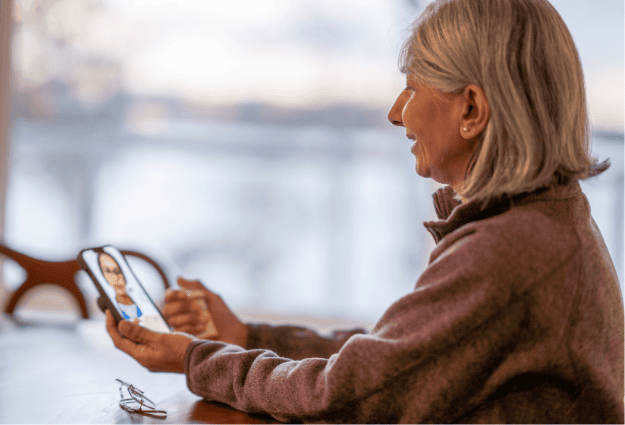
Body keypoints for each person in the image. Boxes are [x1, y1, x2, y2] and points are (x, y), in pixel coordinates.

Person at [105, 0, 624, 422]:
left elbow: (346, 397)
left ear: (471, 110)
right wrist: (250, 338)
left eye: (412, 87)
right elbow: (395, 358)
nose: (397, 113)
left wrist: (192, 359)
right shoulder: (543, 222)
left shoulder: (511, 249)